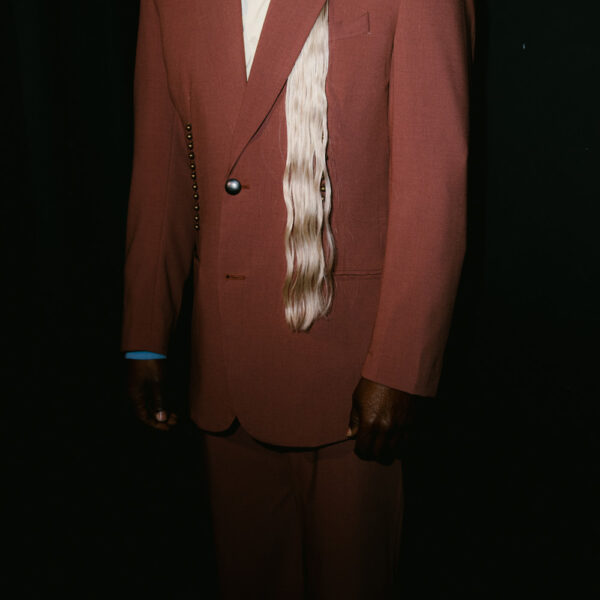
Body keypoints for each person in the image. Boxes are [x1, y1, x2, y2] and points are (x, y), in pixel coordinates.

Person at [123, 0, 475, 597]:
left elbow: (432, 173)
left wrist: (402, 362)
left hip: (350, 377)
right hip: (225, 366)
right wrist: (145, 334)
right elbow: (161, 162)